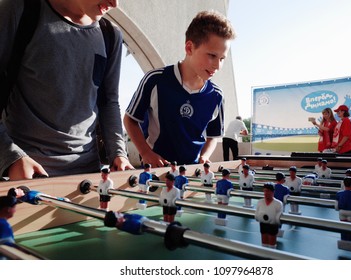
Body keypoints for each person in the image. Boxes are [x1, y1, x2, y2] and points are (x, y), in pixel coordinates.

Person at [0, 0, 133, 180]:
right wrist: (11, 157)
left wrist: (119, 153)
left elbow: (109, 102)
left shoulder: (110, 35)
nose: (115, 3)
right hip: (26, 173)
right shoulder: (19, 11)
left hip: (88, 173)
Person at [123, 10, 236, 167]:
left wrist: (204, 156)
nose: (217, 65)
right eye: (211, 55)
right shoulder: (155, 80)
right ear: (189, 48)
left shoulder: (217, 96)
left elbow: (213, 136)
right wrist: (146, 153)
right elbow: (130, 120)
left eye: (222, 59)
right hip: (156, 173)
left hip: (192, 174)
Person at [335, 177, 351, 251]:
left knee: (343, 228)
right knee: (350, 229)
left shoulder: (339, 194)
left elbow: (336, 207)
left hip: (341, 212)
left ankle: (342, 242)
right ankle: (349, 244)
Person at [255, 183, 283, 248]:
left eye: (267, 191)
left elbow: (278, 218)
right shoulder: (260, 202)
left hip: (273, 225)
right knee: (264, 243)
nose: (265, 193)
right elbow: (257, 213)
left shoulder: (278, 204)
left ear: (272, 192)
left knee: (272, 244)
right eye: (264, 191)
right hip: (263, 224)